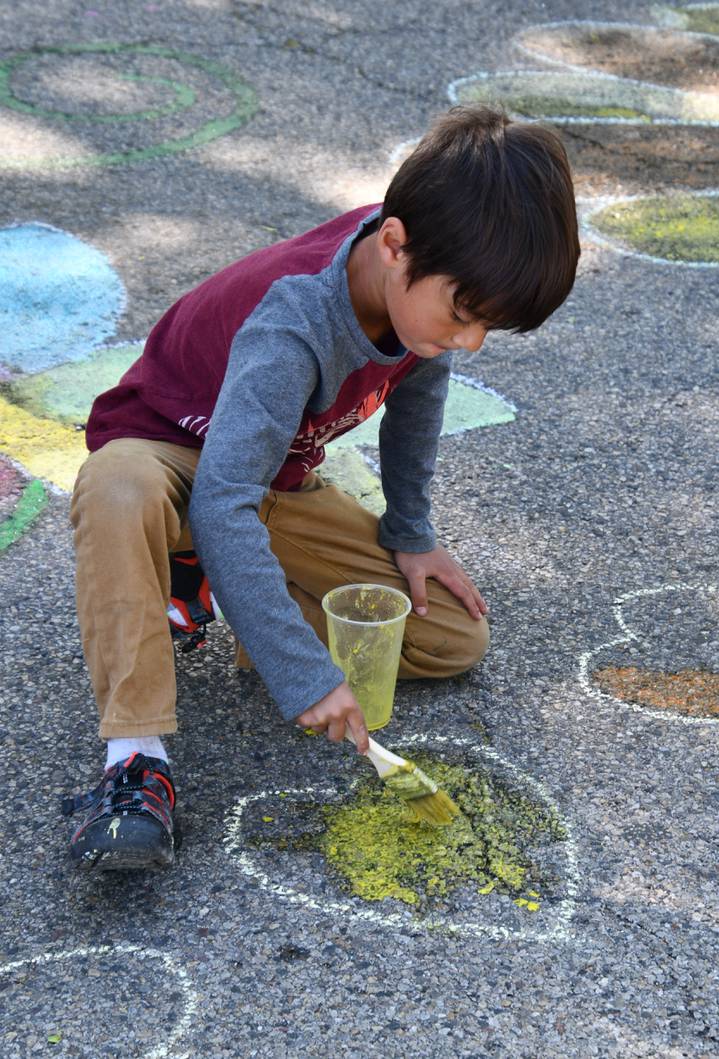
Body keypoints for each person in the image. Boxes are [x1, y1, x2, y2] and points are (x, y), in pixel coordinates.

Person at [64, 104, 580, 869]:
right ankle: (134, 761)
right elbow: (220, 499)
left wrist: (412, 531)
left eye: (486, 328)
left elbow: (421, 389)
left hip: (269, 476)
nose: (468, 341)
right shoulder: (294, 322)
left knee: (449, 637)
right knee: (116, 492)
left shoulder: (425, 267)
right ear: (395, 246)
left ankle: (207, 581)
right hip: (173, 462)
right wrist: (302, 673)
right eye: (465, 316)